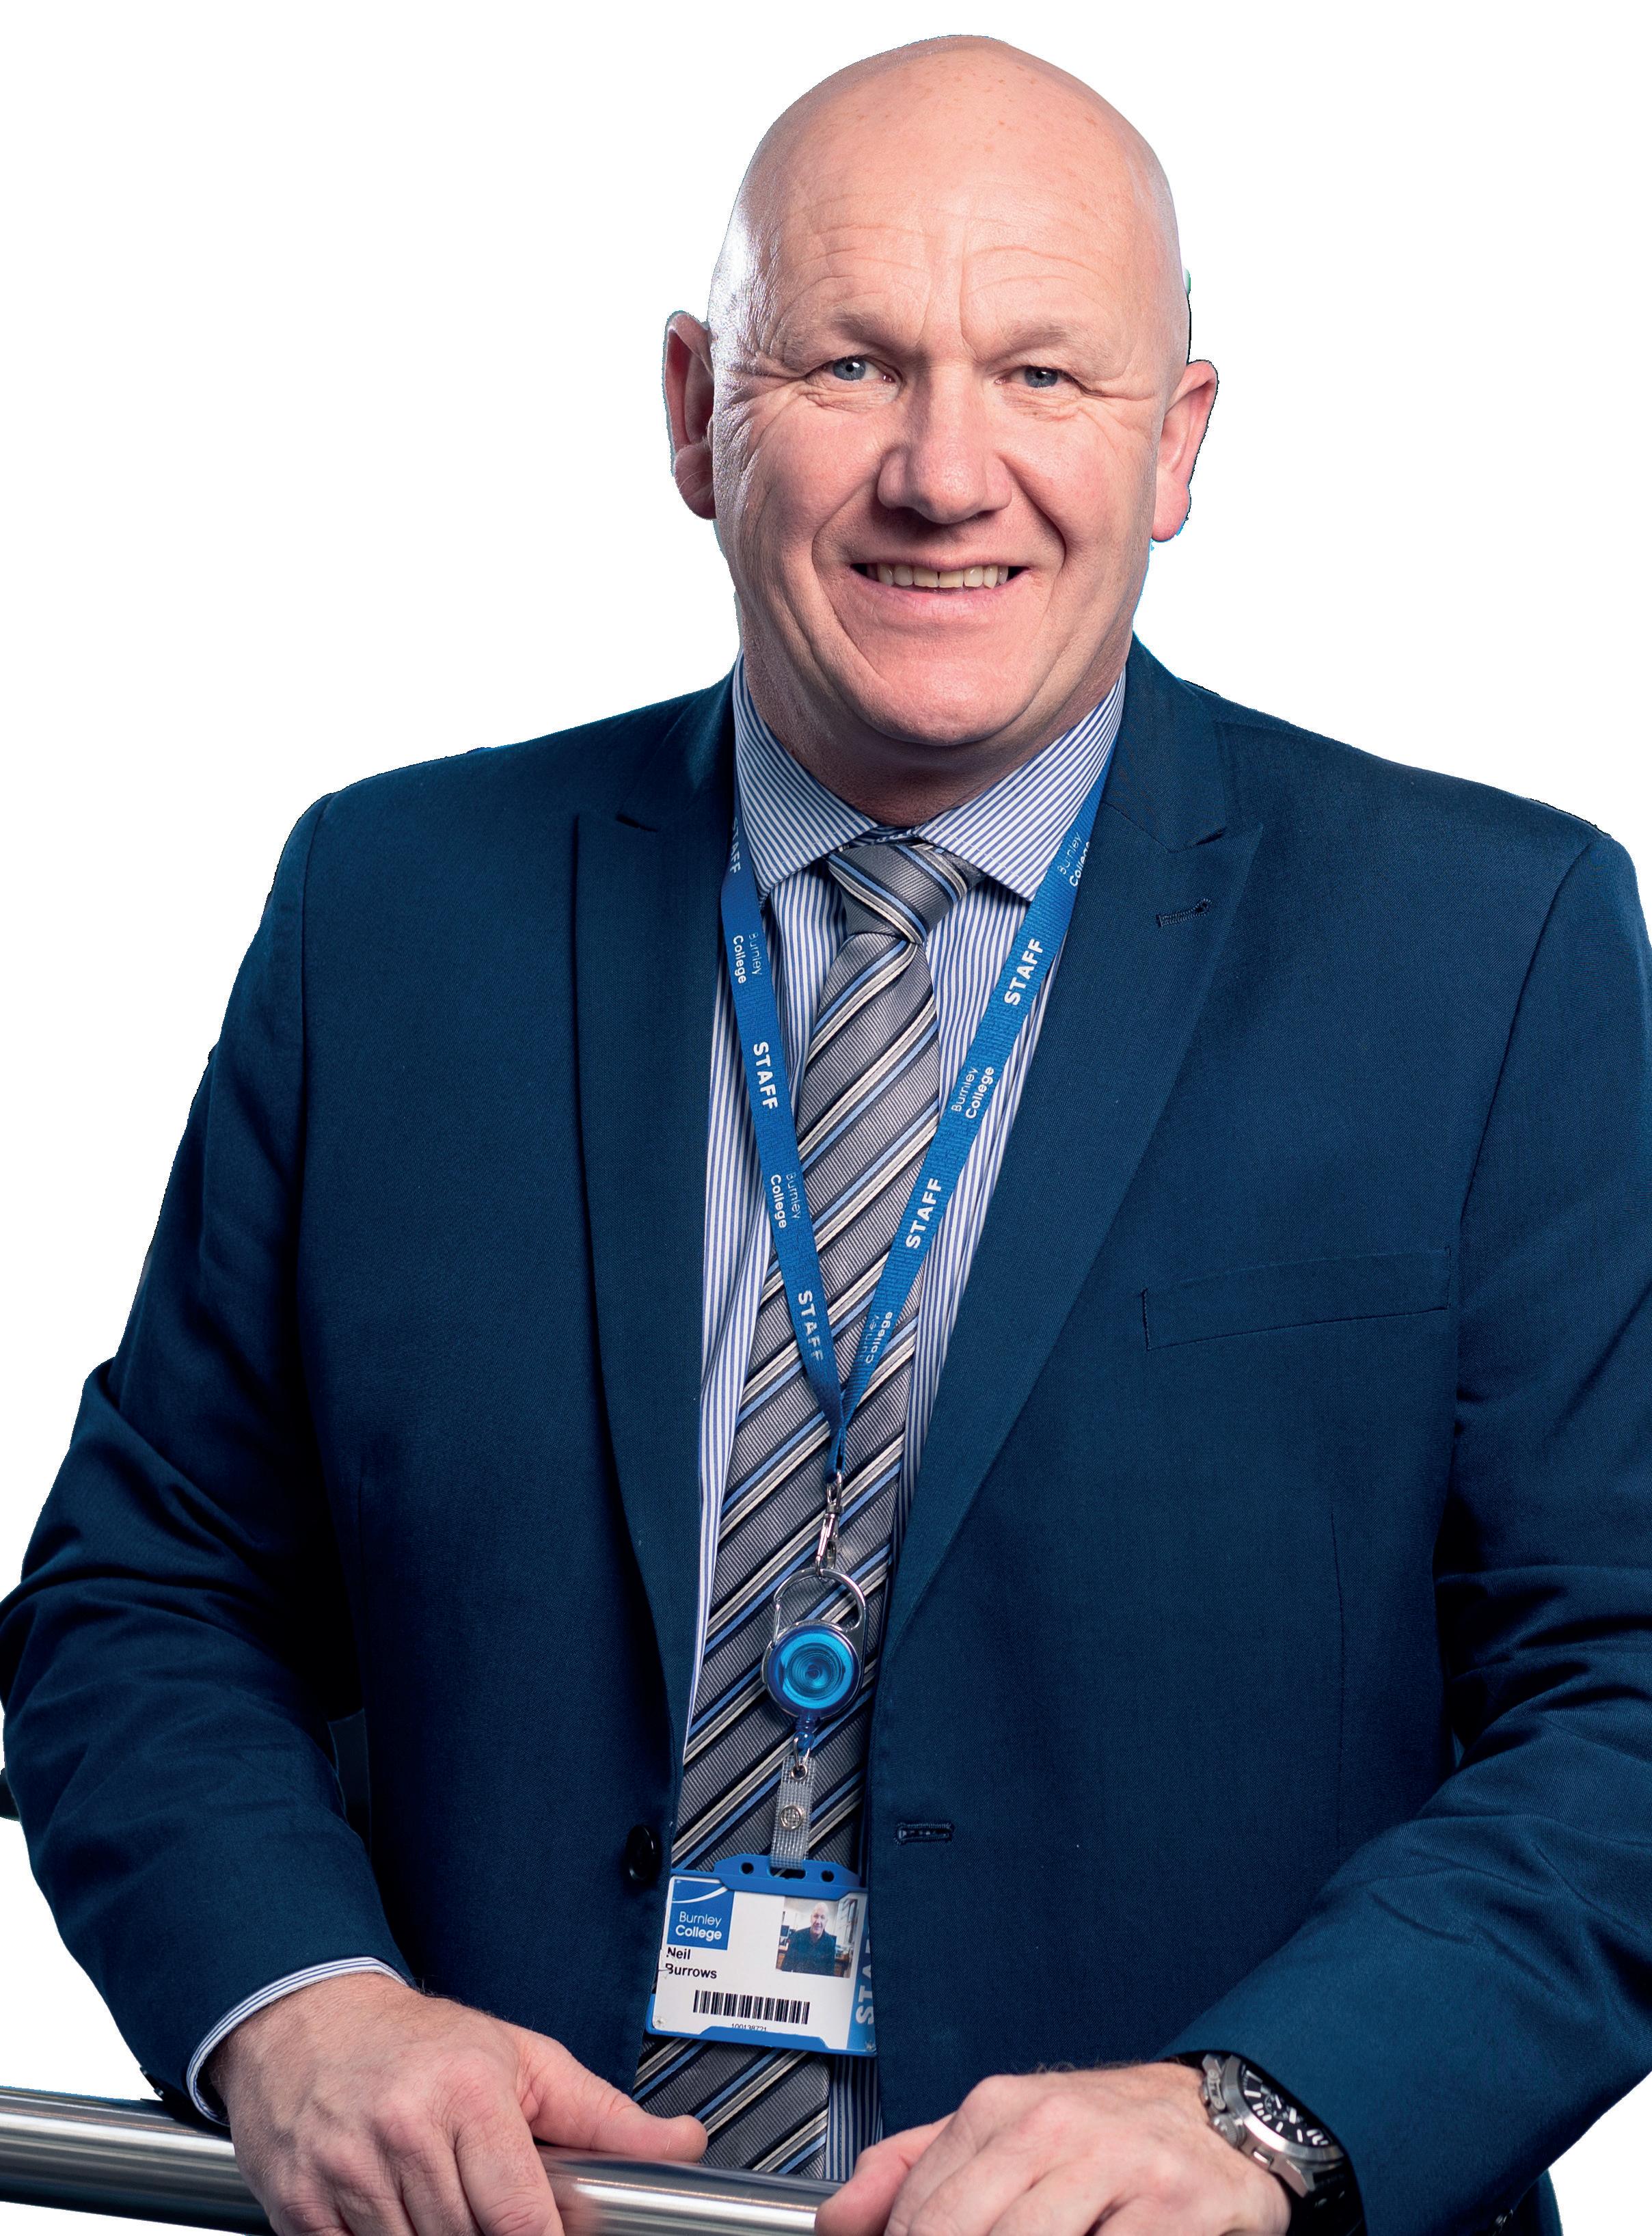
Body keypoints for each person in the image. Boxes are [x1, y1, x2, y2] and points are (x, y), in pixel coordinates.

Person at [3, 31, 1651, 2236]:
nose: (944, 474)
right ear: (695, 409)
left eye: (1043, 374)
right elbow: (150, 1593)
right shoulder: (388, 913)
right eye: (853, 362)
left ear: (1176, 442)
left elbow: (1628, 1691)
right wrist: (296, 2007)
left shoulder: (1490, 944)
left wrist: (1258, 2115)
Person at [781, 1911, 839, 1978]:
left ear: (826, 1922)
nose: (818, 1922)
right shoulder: (797, 1936)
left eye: (823, 1918)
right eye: (816, 1916)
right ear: (811, 1918)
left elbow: (829, 1975)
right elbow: (786, 1969)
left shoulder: (830, 1943)